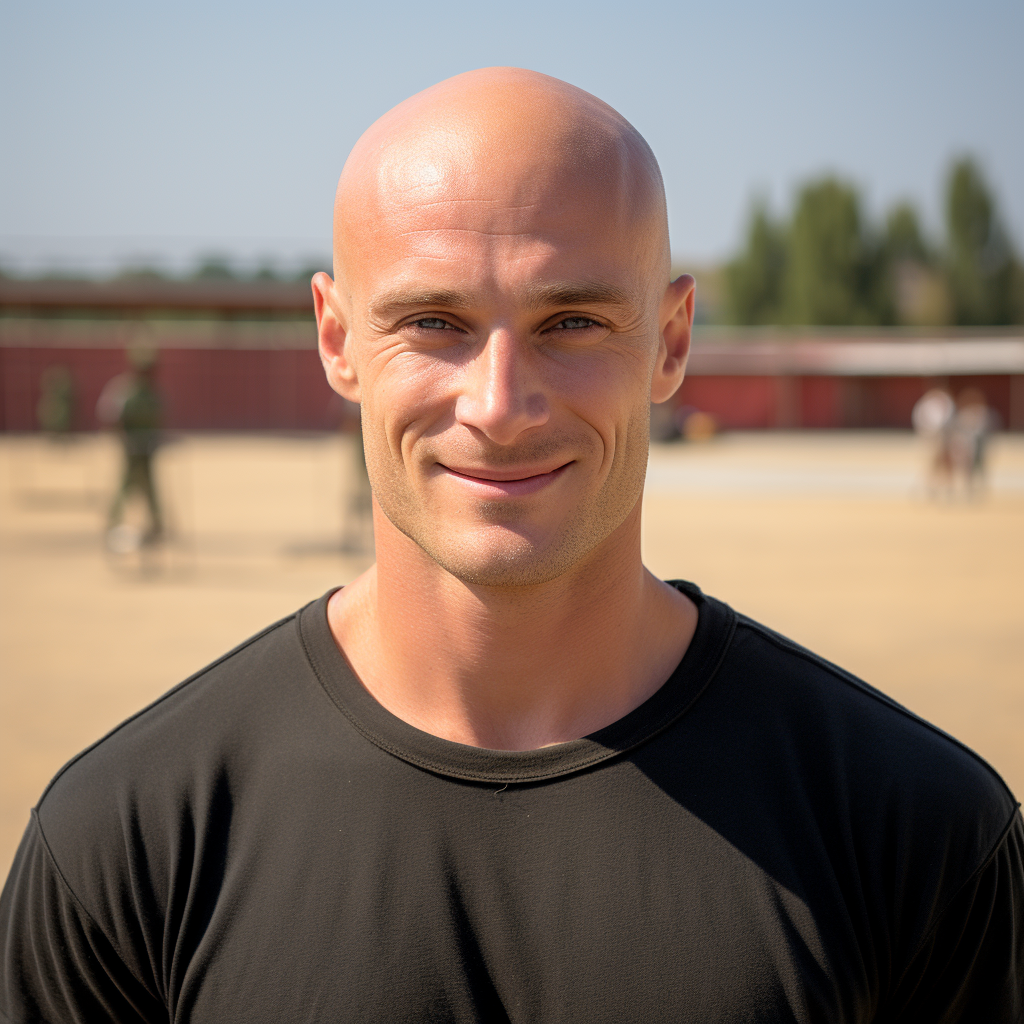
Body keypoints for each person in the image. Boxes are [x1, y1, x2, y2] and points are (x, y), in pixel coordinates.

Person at [2, 69, 1021, 1022]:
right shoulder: (125, 845)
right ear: (336, 340)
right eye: (435, 321)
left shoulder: (916, 837)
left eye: (571, 319)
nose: (498, 405)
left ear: (669, 342)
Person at [96, 344, 164, 547]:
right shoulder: (125, 390)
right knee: (126, 485)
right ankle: (113, 523)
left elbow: (158, 418)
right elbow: (111, 416)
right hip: (132, 450)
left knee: (150, 487)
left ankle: (156, 525)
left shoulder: (152, 392)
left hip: (147, 449)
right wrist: (123, 437)